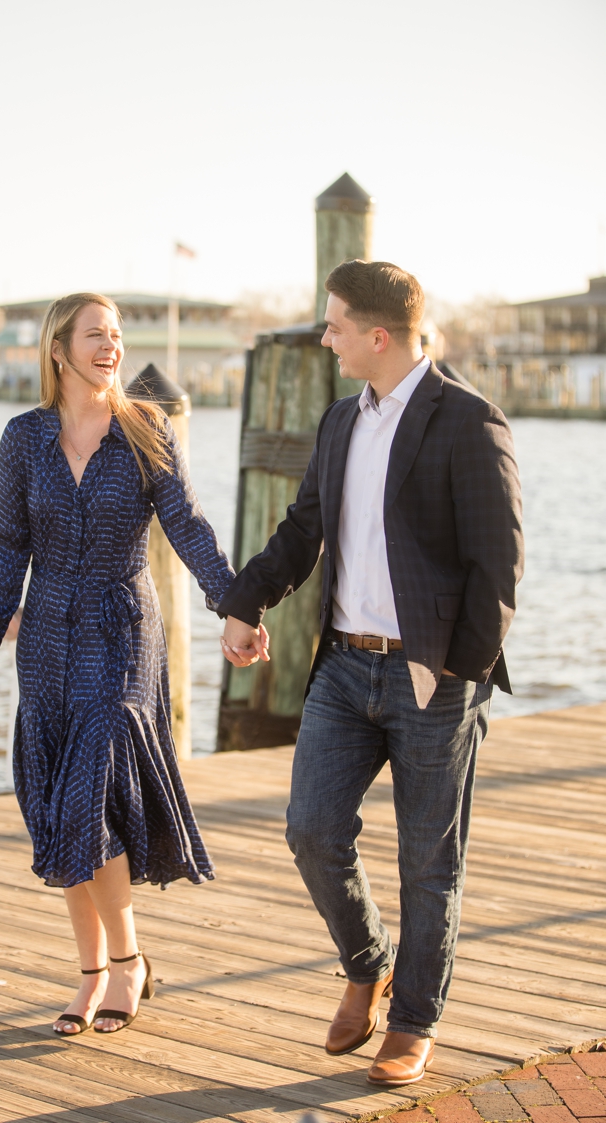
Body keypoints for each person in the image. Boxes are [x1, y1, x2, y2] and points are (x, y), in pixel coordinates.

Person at [219, 260, 522, 1086]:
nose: (326, 337)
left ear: (377, 336)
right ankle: (368, 961)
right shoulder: (338, 423)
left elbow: (498, 570)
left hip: (434, 679)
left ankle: (414, 1021)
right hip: (345, 671)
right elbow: (302, 530)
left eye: (336, 326)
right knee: (311, 829)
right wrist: (245, 602)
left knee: (430, 864)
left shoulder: (469, 422)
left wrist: (456, 674)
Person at [0, 293, 236, 1038]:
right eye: (95, 335)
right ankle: (91, 972)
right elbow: (5, 542)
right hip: (47, 632)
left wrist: (233, 601)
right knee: (57, 804)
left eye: (116, 335)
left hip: (122, 627)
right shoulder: (23, 439)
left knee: (92, 783)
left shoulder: (149, 429)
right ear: (59, 348)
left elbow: (187, 525)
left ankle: (127, 962)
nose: (110, 346)